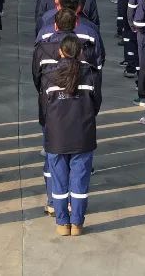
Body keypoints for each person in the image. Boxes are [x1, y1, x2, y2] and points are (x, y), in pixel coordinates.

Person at [39, 34, 102, 236]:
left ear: (60, 51)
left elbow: (43, 109)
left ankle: (62, 224)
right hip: (82, 135)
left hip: (56, 136)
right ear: (80, 52)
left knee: (59, 182)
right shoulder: (91, 74)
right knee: (79, 182)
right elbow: (96, 104)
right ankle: (77, 224)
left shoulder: (48, 75)